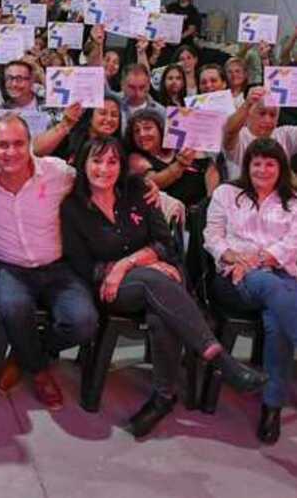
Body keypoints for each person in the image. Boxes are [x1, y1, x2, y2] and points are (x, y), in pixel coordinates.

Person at [61, 137, 267, 438]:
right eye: (96, 160)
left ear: (121, 166)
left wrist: (130, 262)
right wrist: (121, 269)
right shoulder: (73, 208)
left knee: (161, 307)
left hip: (157, 271)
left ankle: (163, 397)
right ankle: (220, 361)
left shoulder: (138, 191)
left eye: (112, 161)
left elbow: (166, 243)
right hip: (111, 286)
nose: (104, 168)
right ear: (83, 163)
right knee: (156, 283)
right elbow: (83, 266)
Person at [0, 114, 99, 408]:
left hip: (57, 267)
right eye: (2, 145)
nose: (11, 152)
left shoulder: (56, 172)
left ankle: (24, 353)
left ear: (30, 144)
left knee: (84, 323)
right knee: (13, 307)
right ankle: (40, 371)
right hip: (9, 267)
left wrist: (155, 192)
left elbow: (98, 181)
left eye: (19, 144)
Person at [204, 138, 297, 444]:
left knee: (277, 320)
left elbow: (293, 243)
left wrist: (256, 259)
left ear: (281, 168)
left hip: (281, 275)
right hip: (234, 278)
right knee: (274, 289)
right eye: (256, 162)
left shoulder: (293, 200)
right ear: (247, 165)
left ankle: (271, 406)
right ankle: (273, 403)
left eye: (270, 163)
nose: (262, 169)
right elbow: (212, 237)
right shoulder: (227, 193)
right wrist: (234, 257)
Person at [126, 109, 219, 209]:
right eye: (136, 131)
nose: (142, 134)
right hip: (172, 217)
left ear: (160, 129)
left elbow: (209, 167)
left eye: (148, 128)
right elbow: (152, 182)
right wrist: (180, 165)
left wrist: (210, 203)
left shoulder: (180, 143)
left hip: (203, 211)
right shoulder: (135, 158)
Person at [118, 63, 165, 133]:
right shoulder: (112, 104)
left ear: (149, 85)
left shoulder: (161, 111)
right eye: (132, 87)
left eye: (142, 87)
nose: (138, 93)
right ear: (122, 84)